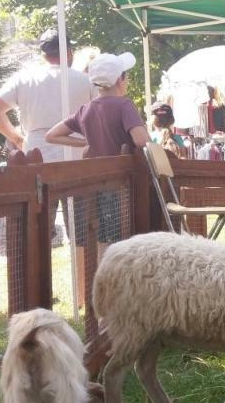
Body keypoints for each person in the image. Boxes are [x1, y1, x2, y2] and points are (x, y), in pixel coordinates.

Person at [47, 52, 149, 258]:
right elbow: (141, 140)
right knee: (126, 238)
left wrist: (86, 141)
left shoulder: (85, 109)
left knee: (103, 238)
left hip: (96, 186)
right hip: (123, 185)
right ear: (120, 79)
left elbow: (52, 135)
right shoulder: (124, 105)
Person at [0, 29, 97, 161]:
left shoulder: (23, 79)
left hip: (37, 154)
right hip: (77, 154)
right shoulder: (87, 81)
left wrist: (17, 139)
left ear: (43, 55)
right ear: (68, 52)